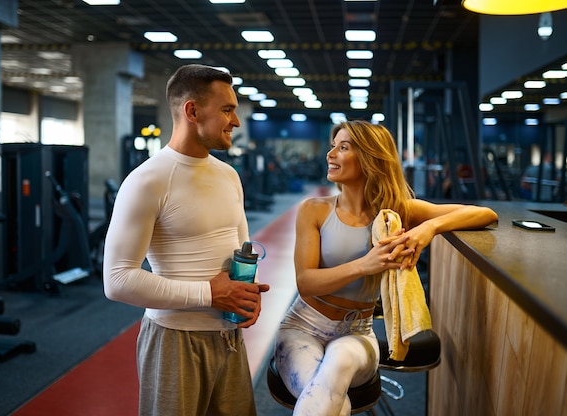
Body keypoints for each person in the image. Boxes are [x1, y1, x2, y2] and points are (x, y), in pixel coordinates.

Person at [274, 120, 498, 416]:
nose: (330, 154)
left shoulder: (398, 211)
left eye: (343, 148)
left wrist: (428, 228)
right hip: (303, 328)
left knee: (339, 364)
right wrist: (364, 265)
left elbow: (484, 213)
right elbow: (306, 283)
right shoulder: (314, 210)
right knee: (331, 401)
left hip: (357, 333)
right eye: (332, 147)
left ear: (370, 158)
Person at [103, 64, 270, 416]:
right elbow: (117, 280)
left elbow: (242, 253)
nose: (235, 122)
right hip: (174, 341)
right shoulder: (147, 180)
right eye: (227, 110)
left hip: (230, 338)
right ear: (192, 111)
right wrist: (210, 294)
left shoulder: (229, 176)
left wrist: (247, 296)